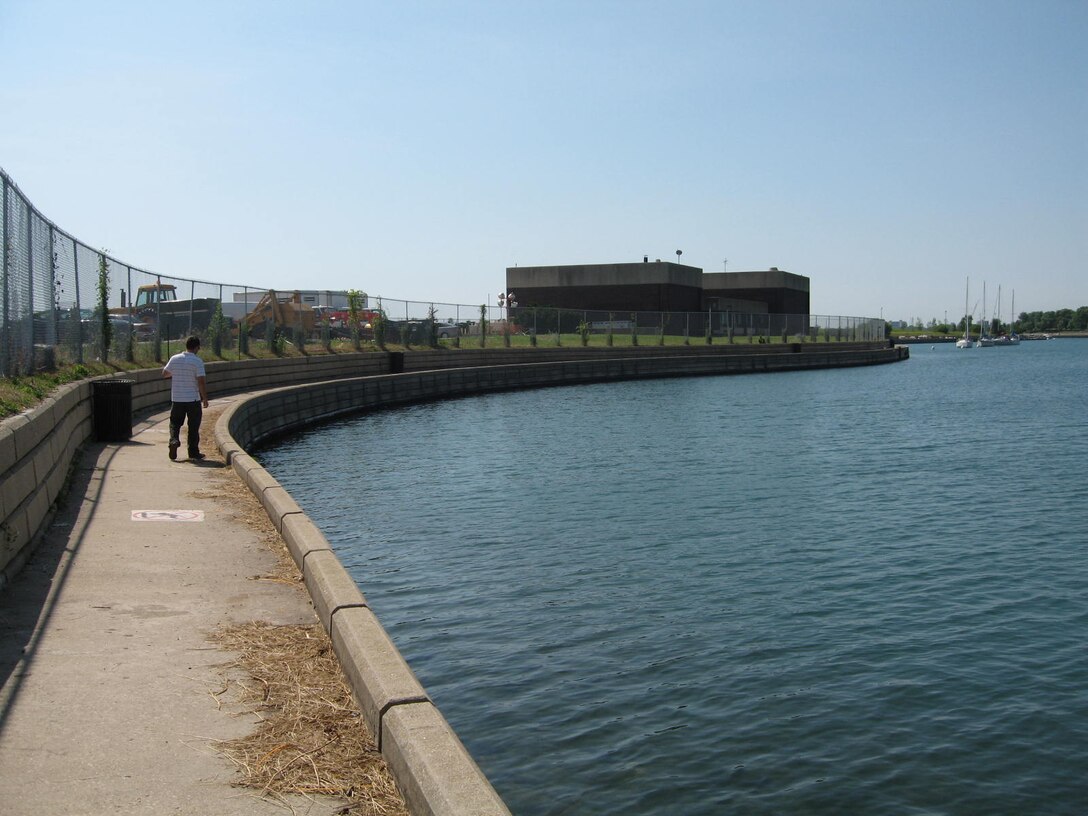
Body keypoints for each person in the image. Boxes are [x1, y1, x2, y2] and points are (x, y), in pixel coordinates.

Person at [162, 336, 209, 461]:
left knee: (174, 423)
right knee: (193, 426)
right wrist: (204, 398)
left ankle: (173, 440)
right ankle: (193, 452)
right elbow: (201, 382)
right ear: (197, 347)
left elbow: (165, 374)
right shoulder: (197, 361)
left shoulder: (174, 358)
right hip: (192, 399)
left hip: (177, 398)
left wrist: (176, 373)